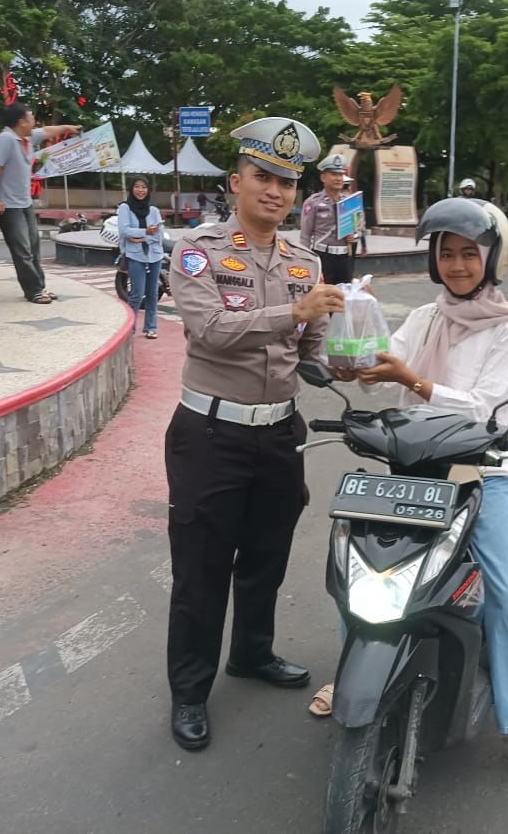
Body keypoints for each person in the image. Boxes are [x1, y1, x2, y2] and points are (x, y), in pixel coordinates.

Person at [309, 198, 508, 794]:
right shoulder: (424, 317)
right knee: (363, 565)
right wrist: (356, 363)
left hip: (482, 470)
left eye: (468, 254)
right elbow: (384, 354)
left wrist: (411, 381)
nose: (456, 265)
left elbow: (485, 406)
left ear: (492, 257)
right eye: (446, 254)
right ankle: (353, 666)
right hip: (413, 464)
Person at [164, 117, 347, 753]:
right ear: (236, 180)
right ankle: (189, 692)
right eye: (263, 177)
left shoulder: (306, 260)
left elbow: (313, 350)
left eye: (286, 182)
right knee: (202, 569)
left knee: (267, 557)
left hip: (279, 434)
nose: (274, 191)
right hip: (210, 433)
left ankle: (252, 653)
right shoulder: (198, 251)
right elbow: (210, 329)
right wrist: (294, 312)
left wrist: (350, 353)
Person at [0, 102, 82, 304]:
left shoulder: (26, 138)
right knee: (23, 251)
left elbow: (47, 131)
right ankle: (34, 291)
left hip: (25, 203)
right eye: (31, 118)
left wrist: (67, 128)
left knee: (33, 247)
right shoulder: (5, 140)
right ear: (21, 121)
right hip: (9, 207)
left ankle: (40, 286)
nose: (34, 121)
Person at [299, 153, 359, 284]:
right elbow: (305, 235)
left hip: (344, 257)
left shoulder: (349, 202)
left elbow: (357, 229)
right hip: (322, 256)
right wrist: (305, 260)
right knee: (322, 296)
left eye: (340, 175)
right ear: (323, 177)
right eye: (333, 174)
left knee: (343, 297)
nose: (338, 178)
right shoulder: (313, 202)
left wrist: (353, 237)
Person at [116, 176, 164, 338]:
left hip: (155, 255)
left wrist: (140, 237)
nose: (140, 190)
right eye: (137, 186)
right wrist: (145, 232)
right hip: (135, 255)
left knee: (153, 293)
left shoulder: (154, 211)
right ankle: (130, 328)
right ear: (131, 189)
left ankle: (151, 327)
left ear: (148, 190)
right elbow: (124, 231)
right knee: (137, 293)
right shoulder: (125, 208)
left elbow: (159, 235)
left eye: (144, 187)